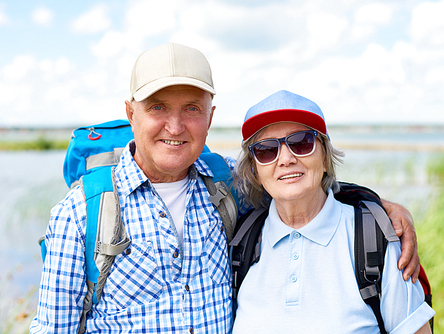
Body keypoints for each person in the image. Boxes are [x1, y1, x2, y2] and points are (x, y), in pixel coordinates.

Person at [30, 42, 421, 333]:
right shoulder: (80, 213)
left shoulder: (227, 184)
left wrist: (375, 205)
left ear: (211, 116)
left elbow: (295, 180)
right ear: (131, 113)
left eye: (192, 108)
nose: (175, 126)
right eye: (158, 107)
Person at [232, 90, 435, 333]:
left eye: (301, 142)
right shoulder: (241, 242)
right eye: (266, 149)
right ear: (255, 170)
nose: (285, 159)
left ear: (326, 158)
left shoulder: (374, 239)